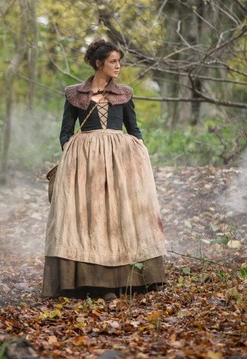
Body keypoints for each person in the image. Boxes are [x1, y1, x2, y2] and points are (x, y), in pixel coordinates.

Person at [41, 39, 167, 301]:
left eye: (119, 61)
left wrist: (140, 159)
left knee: (119, 215)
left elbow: (134, 130)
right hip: (84, 162)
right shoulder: (75, 93)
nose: (118, 65)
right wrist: (73, 158)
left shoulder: (124, 93)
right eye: (113, 61)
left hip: (119, 161)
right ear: (99, 64)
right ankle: (93, 283)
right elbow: (65, 132)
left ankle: (130, 279)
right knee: (90, 217)